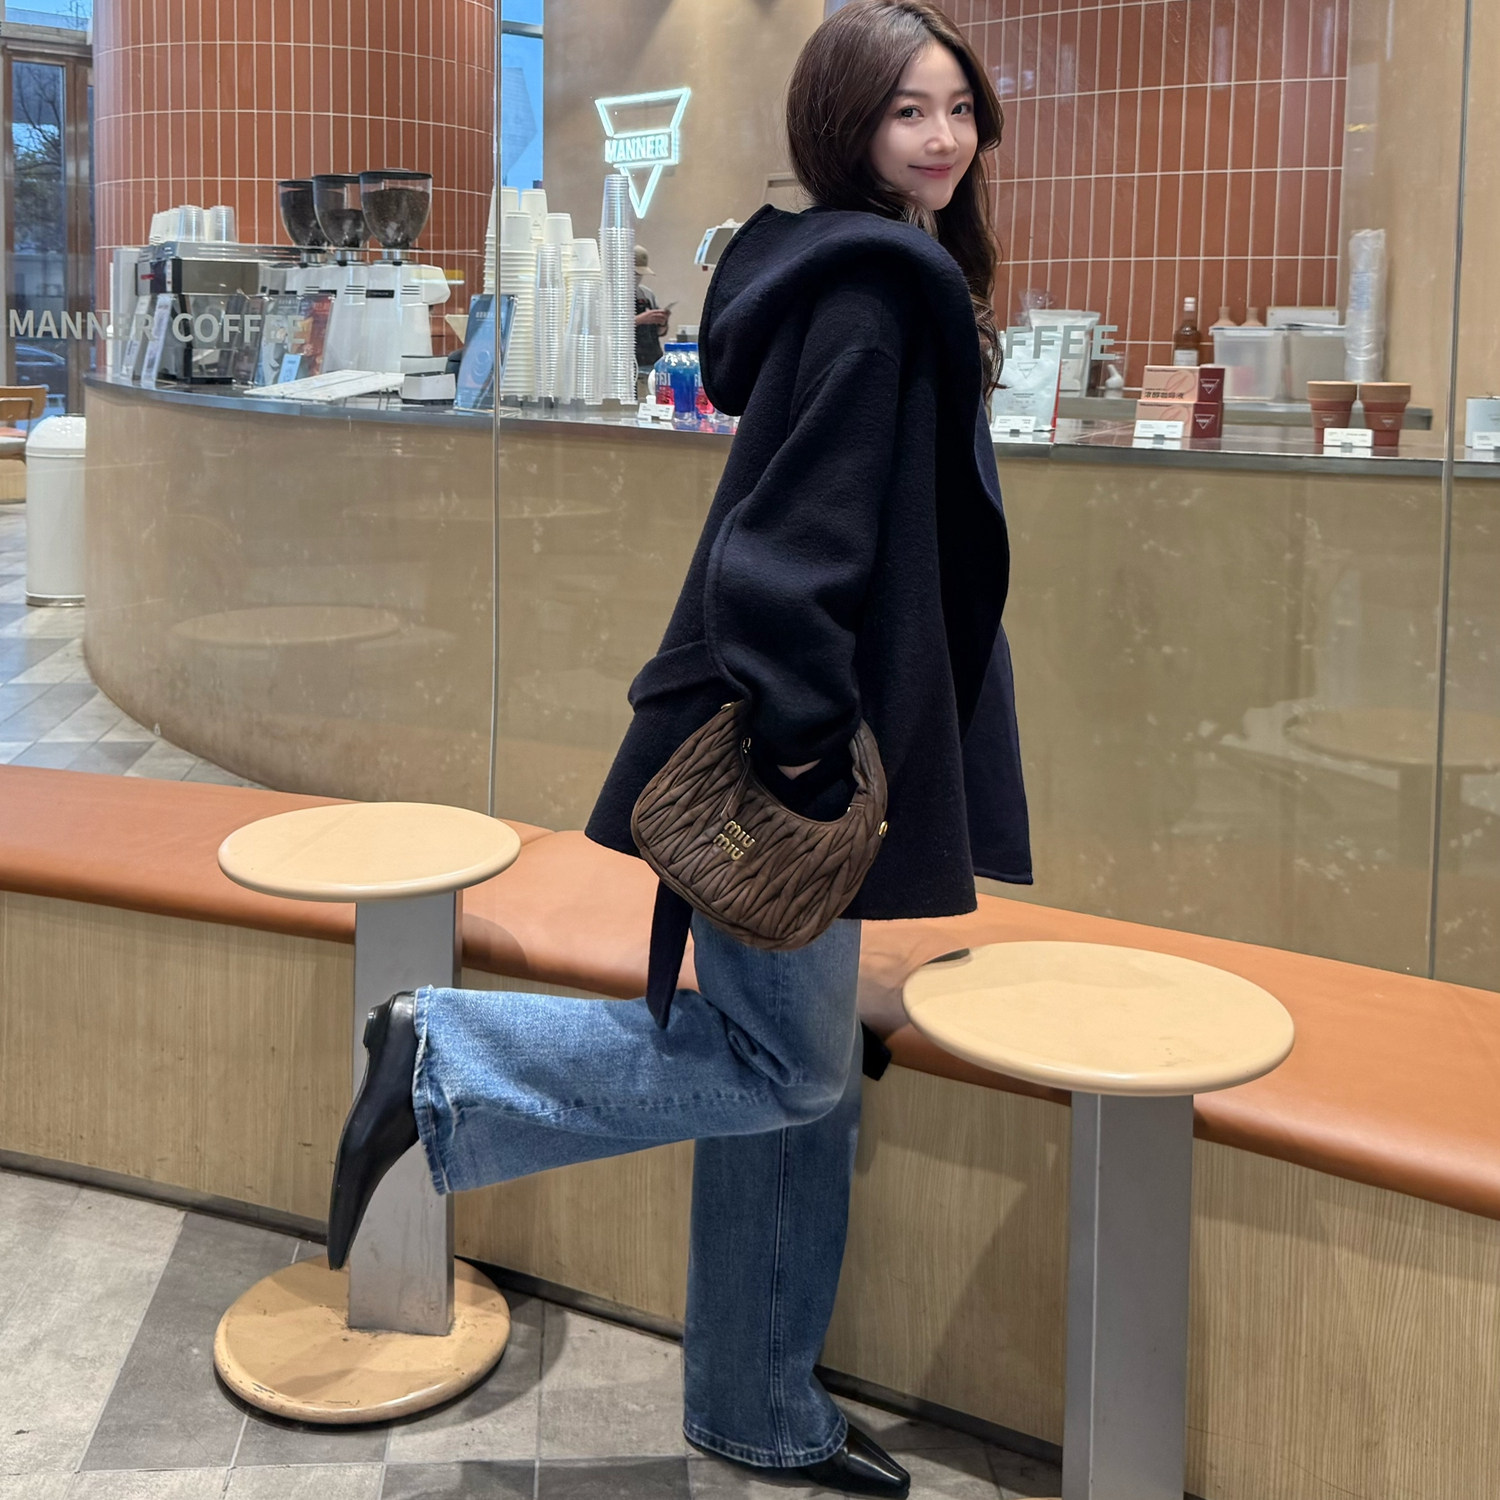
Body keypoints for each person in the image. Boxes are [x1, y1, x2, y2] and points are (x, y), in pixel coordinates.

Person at [326, 3, 1030, 1494]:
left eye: (960, 107)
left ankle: (754, 1401)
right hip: (795, 757)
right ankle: (442, 1056)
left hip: (821, 742)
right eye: (908, 110)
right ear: (846, 124)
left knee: (800, 1086)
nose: (944, 137)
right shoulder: (873, 294)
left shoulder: (862, 270)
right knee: (789, 1075)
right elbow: (784, 556)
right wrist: (808, 762)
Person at [634, 243, 670, 378]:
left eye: (640, 274)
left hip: (652, 361)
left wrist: (662, 322)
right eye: (635, 273)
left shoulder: (647, 294)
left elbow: (660, 332)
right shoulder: (608, 295)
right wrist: (640, 320)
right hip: (629, 364)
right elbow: (606, 330)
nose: (637, 277)